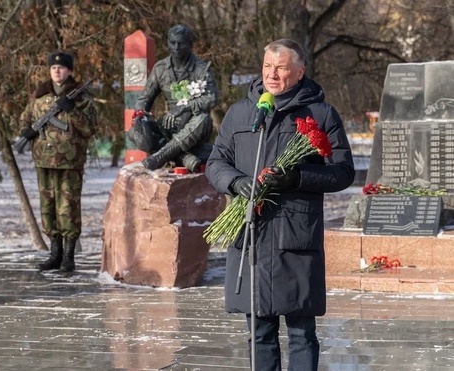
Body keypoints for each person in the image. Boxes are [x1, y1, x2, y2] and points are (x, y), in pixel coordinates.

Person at [205, 39, 355, 370]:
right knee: (259, 333)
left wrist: (297, 177)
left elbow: (343, 172)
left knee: (302, 333)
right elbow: (215, 163)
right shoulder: (241, 112)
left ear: (300, 72)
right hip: (252, 236)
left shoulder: (321, 114)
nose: (273, 74)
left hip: (296, 235)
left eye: (282, 67)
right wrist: (236, 182)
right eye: (268, 67)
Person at [18, 51, 97, 272]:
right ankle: (55, 254)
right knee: (48, 208)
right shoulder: (40, 96)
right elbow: (25, 117)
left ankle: (68, 257)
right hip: (44, 160)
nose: (57, 71)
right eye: (53, 68)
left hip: (69, 161)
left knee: (68, 208)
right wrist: (26, 130)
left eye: (61, 68)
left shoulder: (80, 98)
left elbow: (91, 129)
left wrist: (72, 112)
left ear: (70, 71)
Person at [128, 24, 218, 172]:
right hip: (170, 126)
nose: (176, 47)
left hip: (195, 125)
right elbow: (144, 99)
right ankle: (182, 156)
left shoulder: (201, 68)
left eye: (181, 43)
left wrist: (183, 108)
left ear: (190, 45)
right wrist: (140, 114)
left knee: (203, 118)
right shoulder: (160, 68)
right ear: (168, 42)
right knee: (135, 132)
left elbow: (212, 98)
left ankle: (159, 156)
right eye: (172, 42)